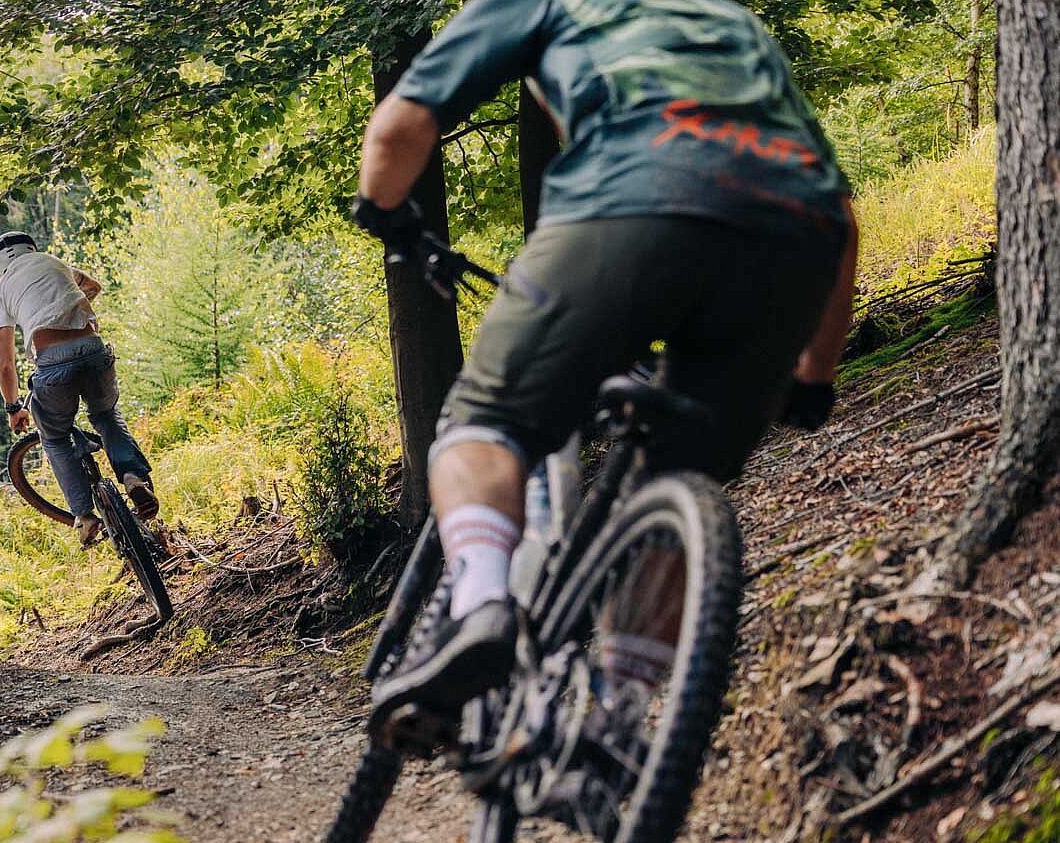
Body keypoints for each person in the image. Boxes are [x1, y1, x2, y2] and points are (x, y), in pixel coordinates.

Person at [352, 1, 859, 724]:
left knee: (483, 424)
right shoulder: (730, 22)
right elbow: (840, 214)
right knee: (680, 478)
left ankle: (480, 608)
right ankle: (619, 722)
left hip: (630, 199)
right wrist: (814, 377)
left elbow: (401, 126)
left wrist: (386, 212)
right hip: (794, 235)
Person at [0, 231, 159, 545]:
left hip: (53, 364)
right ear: (30, 249)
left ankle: (84, 515)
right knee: (106, 415)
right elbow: (93, 286)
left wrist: (13, 407)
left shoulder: (1, 290)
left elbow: (5, 363)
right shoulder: (55, 262)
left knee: (54, 437)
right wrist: (68, 313)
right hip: (94, 351)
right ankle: (134, 479)